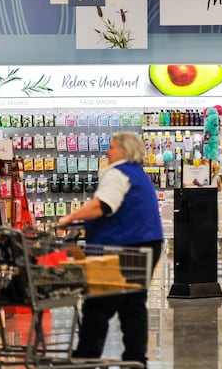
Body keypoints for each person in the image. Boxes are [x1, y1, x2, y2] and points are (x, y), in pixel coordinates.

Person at [59, 132, 164, 367]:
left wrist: (69, 218)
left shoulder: (117, 173)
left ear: (124, 151)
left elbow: (102, 206)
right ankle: (136, 359)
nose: (107, 151)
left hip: (123, 247)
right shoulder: (139, 174)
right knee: (133, 303)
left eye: (112, 147)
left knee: (99, 303)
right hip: (148, 243)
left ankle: (86, 356)